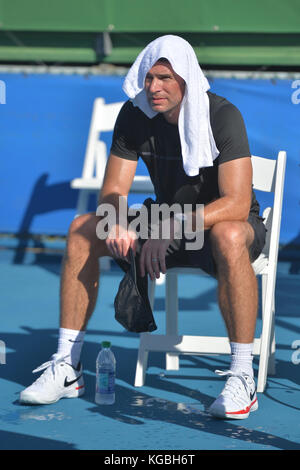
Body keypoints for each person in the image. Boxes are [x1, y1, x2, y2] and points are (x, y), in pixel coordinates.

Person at [20, 35, 266, 420]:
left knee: (229, 233)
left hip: (222, 223)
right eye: (149, 77)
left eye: (165, 78)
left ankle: (241, 374)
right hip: (165, 219)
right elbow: (113, 191)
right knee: (84, 228)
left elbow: (235, 203)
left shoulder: (222, 114)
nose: (154, 87)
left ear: (185, 78)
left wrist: (172, 227)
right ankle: (68, 366)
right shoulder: (134, 115)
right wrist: (117, 221)